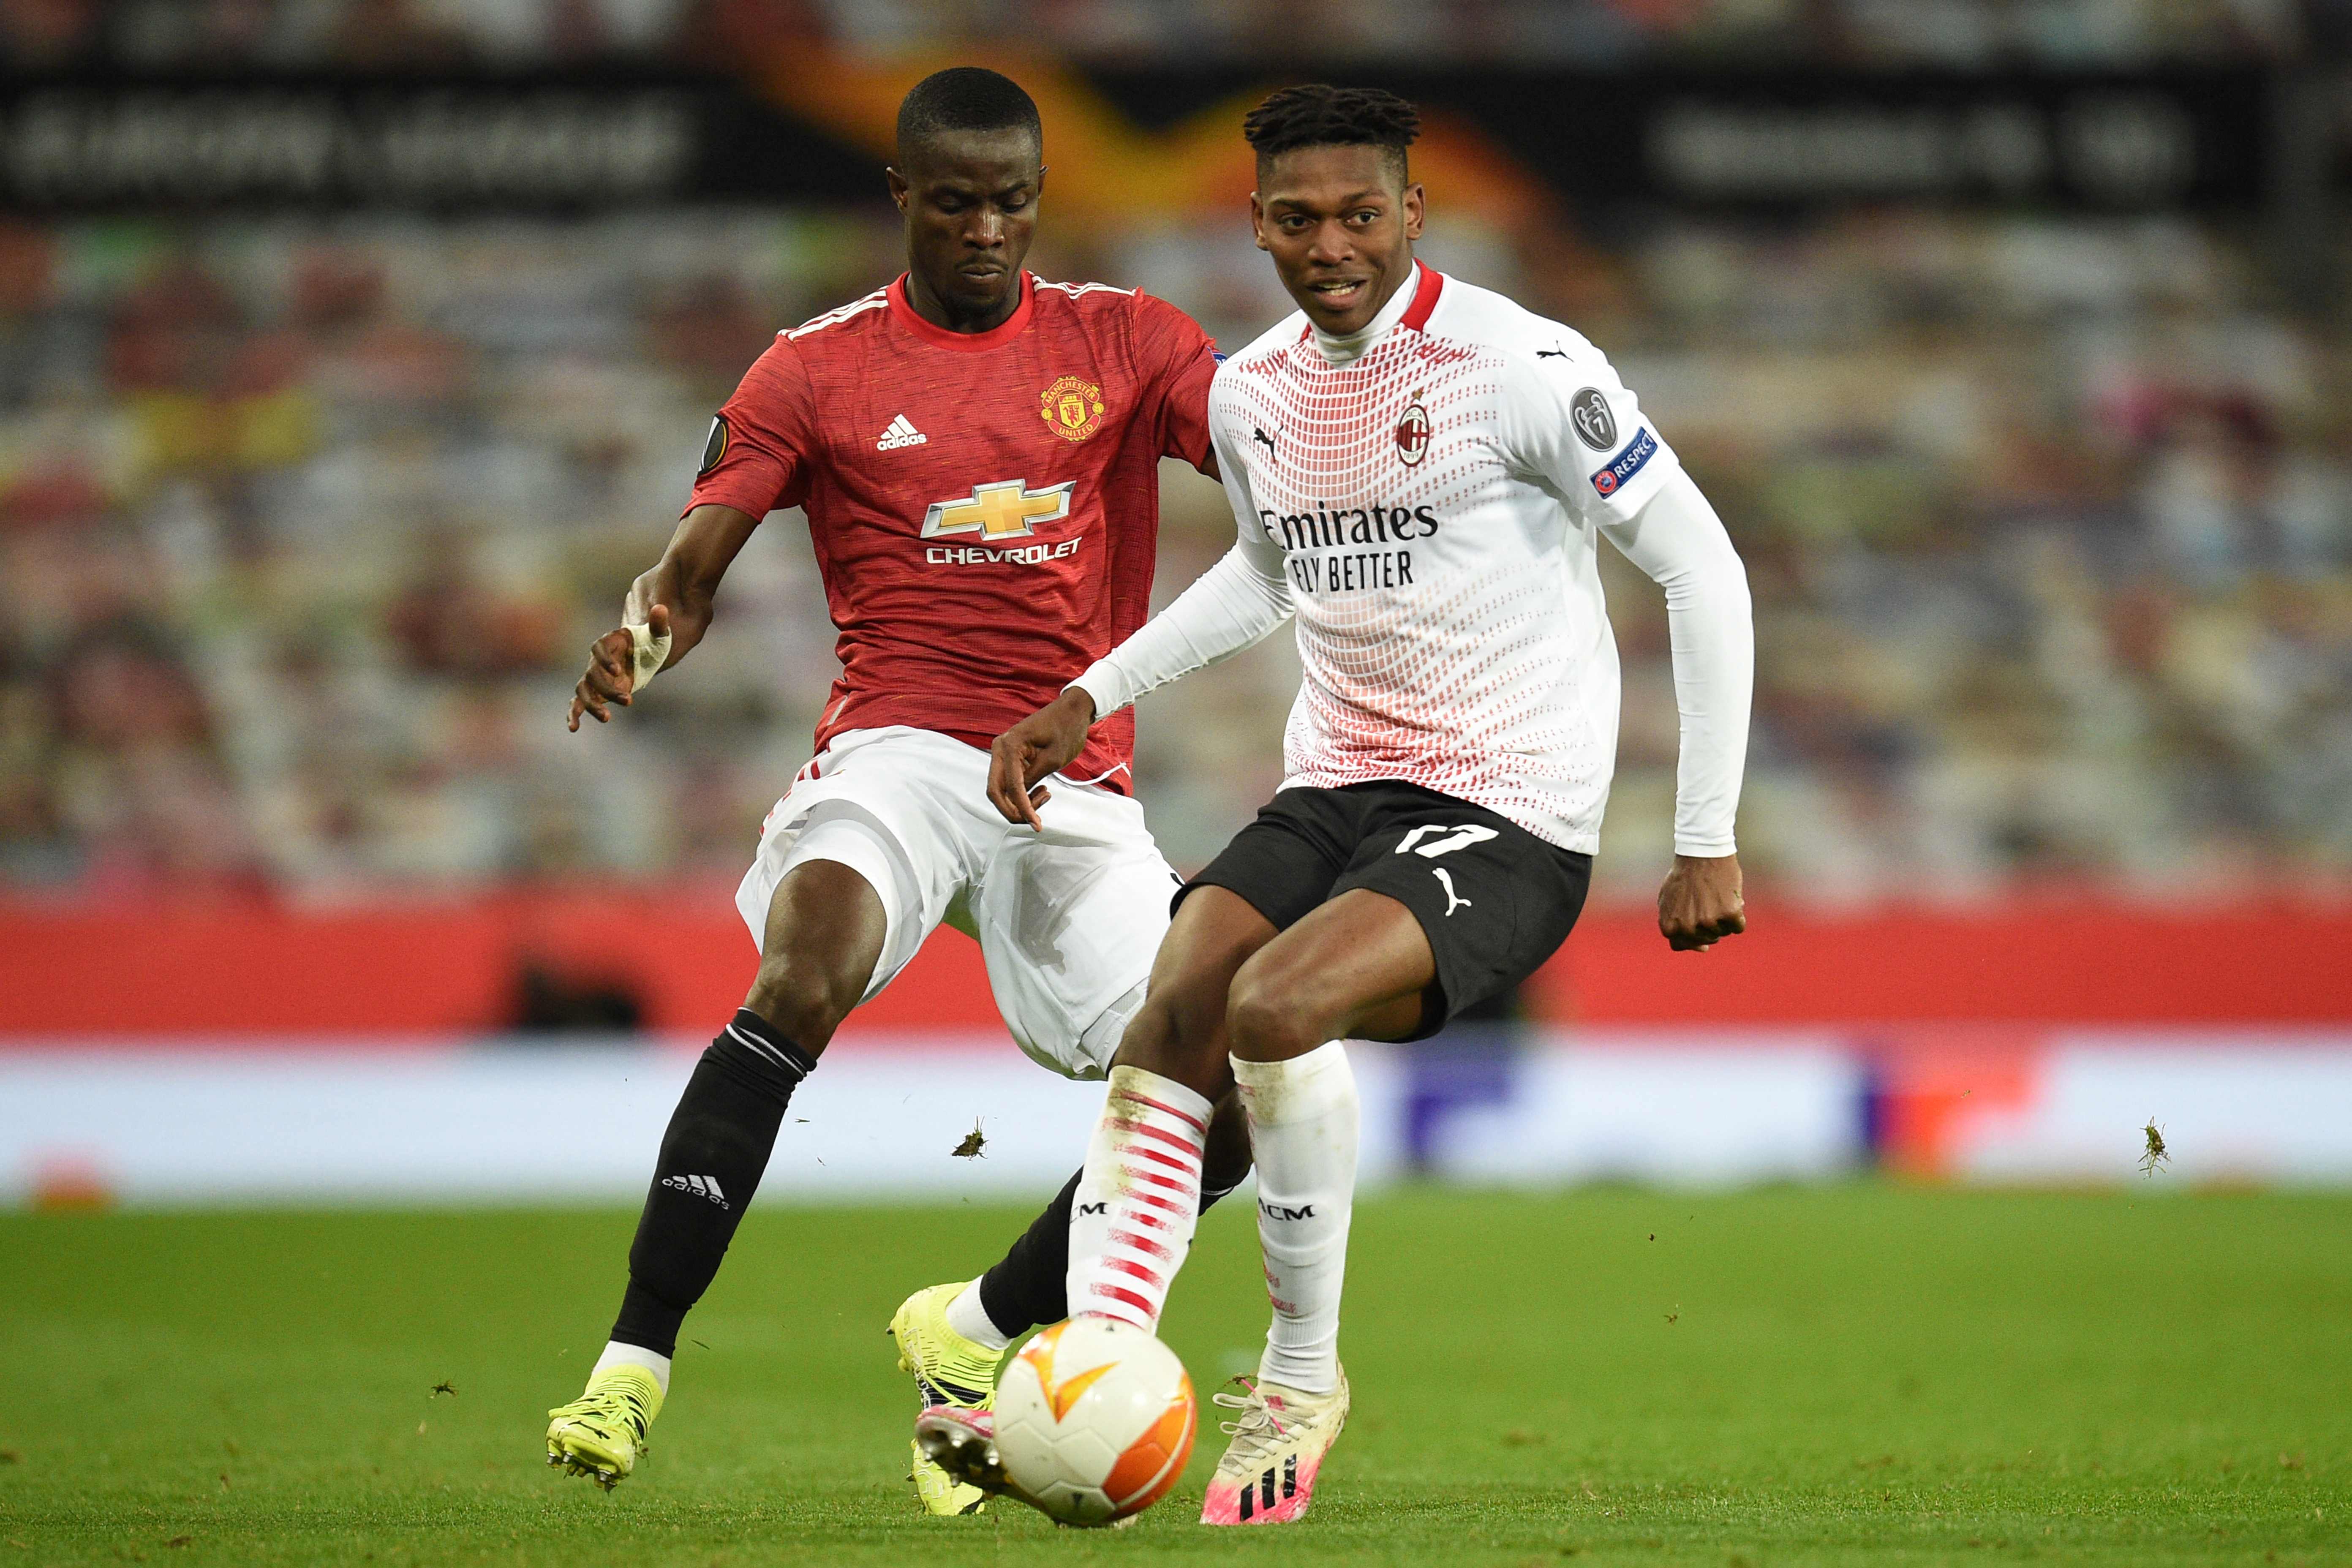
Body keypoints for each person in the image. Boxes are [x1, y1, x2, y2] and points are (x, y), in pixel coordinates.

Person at [920, 84, 1754, 1526]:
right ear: (1254, 225)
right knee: (1178, 1000)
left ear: (1412, 214)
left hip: (1505, 811)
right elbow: (1266, 569)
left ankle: (1301, 1377)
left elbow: (1702, 568)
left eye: (1360, 214)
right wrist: (1089, 694)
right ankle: (1094, 1357)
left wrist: (1703, 834)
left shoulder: (1526, 367)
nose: (1331, 246)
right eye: (1297, 220)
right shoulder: (1253, 391)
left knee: (1277, 1005)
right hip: (1338, 784)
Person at [543, 66, 1257, 1514]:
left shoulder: (1129, 341)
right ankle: (633, 1364)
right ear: (901, 199)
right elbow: (690, 570)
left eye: (1012, 202)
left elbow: (1274, 462)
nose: (987, 229)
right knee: (804, 970)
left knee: (1223, 1107)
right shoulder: (814, 369)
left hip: (1077, 776)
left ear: (1039, 200)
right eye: (955, 202)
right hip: (904, 750)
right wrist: (641, 634)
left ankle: (974, 1330)